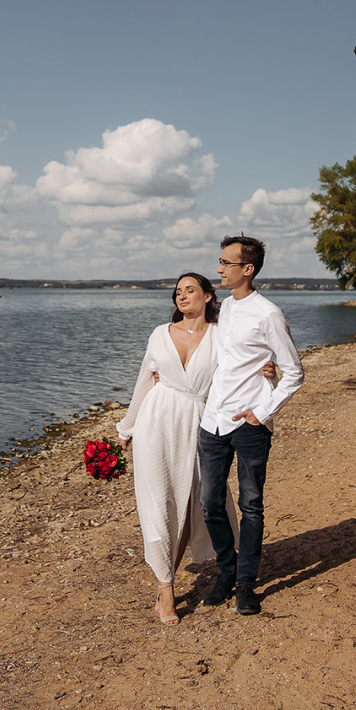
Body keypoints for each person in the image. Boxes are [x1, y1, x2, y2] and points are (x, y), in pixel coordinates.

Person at [117, 272, 232, 626]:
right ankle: (165, 588)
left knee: (189, 504)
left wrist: (268, 372)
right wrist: (127, 426)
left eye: (190, 290)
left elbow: (239, 371)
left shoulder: (221, 334)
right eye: (178, 292)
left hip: (199, 422)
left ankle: (172, 571)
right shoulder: (159, 334)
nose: (182, 296)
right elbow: (143, 381)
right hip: (156, 421)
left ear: (209, 296)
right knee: (157, 503)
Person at [198, 235, 304, 616]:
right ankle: (226, 572)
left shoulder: (268, 314)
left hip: (249, 424)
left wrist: (264, 410)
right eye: (220, 262)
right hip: (212, 421)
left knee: (251, 505)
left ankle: (245, 583)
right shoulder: (224, 308)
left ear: (248, 269)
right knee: (210, 503)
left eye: (225, 263)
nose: (219, 269)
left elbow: (294, 372)